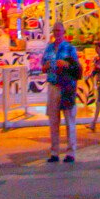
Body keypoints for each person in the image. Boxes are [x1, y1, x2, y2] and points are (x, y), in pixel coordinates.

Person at [43, 30, 83, 163]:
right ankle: (54, 152)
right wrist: (46, 66)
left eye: (59, 31)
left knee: (69, 119)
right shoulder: (49, 48)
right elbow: (42, 67)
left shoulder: (70, 48)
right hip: (53, 85)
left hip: (66, 87)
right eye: (55, 31)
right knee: (53, 121)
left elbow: (76, 67)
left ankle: (71, 152)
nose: (57, 34)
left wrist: (65, 64)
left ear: (64, 33)